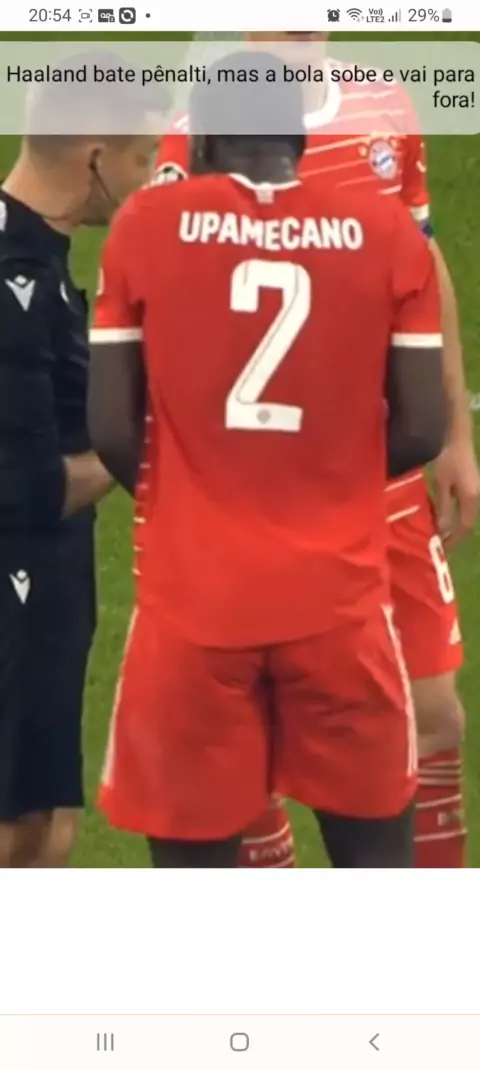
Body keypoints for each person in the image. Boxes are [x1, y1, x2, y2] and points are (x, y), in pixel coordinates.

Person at [88, 51, 446, 869]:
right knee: (377, 874)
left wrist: (193, 490)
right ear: (300, 140)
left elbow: (111, 425)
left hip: (195, 607)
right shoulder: (384, 232)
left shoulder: (146, 225)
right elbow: (424, 427)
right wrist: (328, 477)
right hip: (340, 604)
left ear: (202, 141)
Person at [0, 52, 166, 867]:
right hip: (19, 585)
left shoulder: (39, 258)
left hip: (48, 593)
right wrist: (155, 437)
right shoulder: (14, 281)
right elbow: (31, 489)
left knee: (50, 826)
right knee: (21, 833)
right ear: (95, 159)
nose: (151, 178)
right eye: (143, 158)